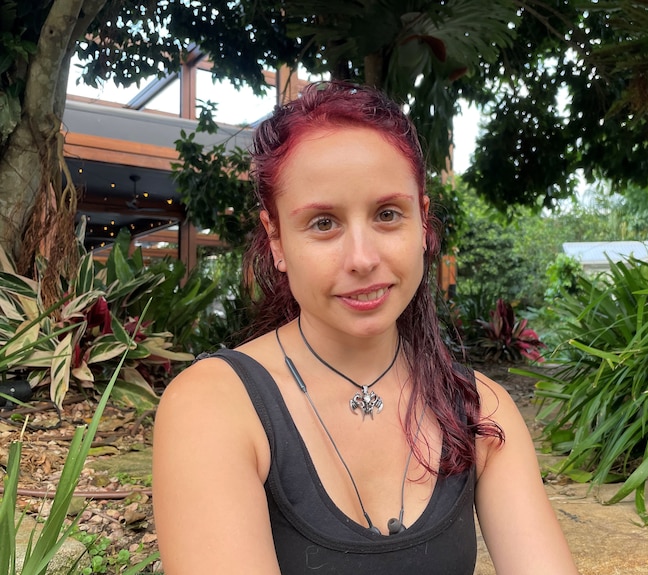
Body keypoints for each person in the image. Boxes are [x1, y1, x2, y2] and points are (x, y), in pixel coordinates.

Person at [152, 80, 579, 575]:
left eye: (387, 214)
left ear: (422, 223)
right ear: (277, 240)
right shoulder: (214, 407)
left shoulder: (481, 410)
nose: (362, 259)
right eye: (323, 223)